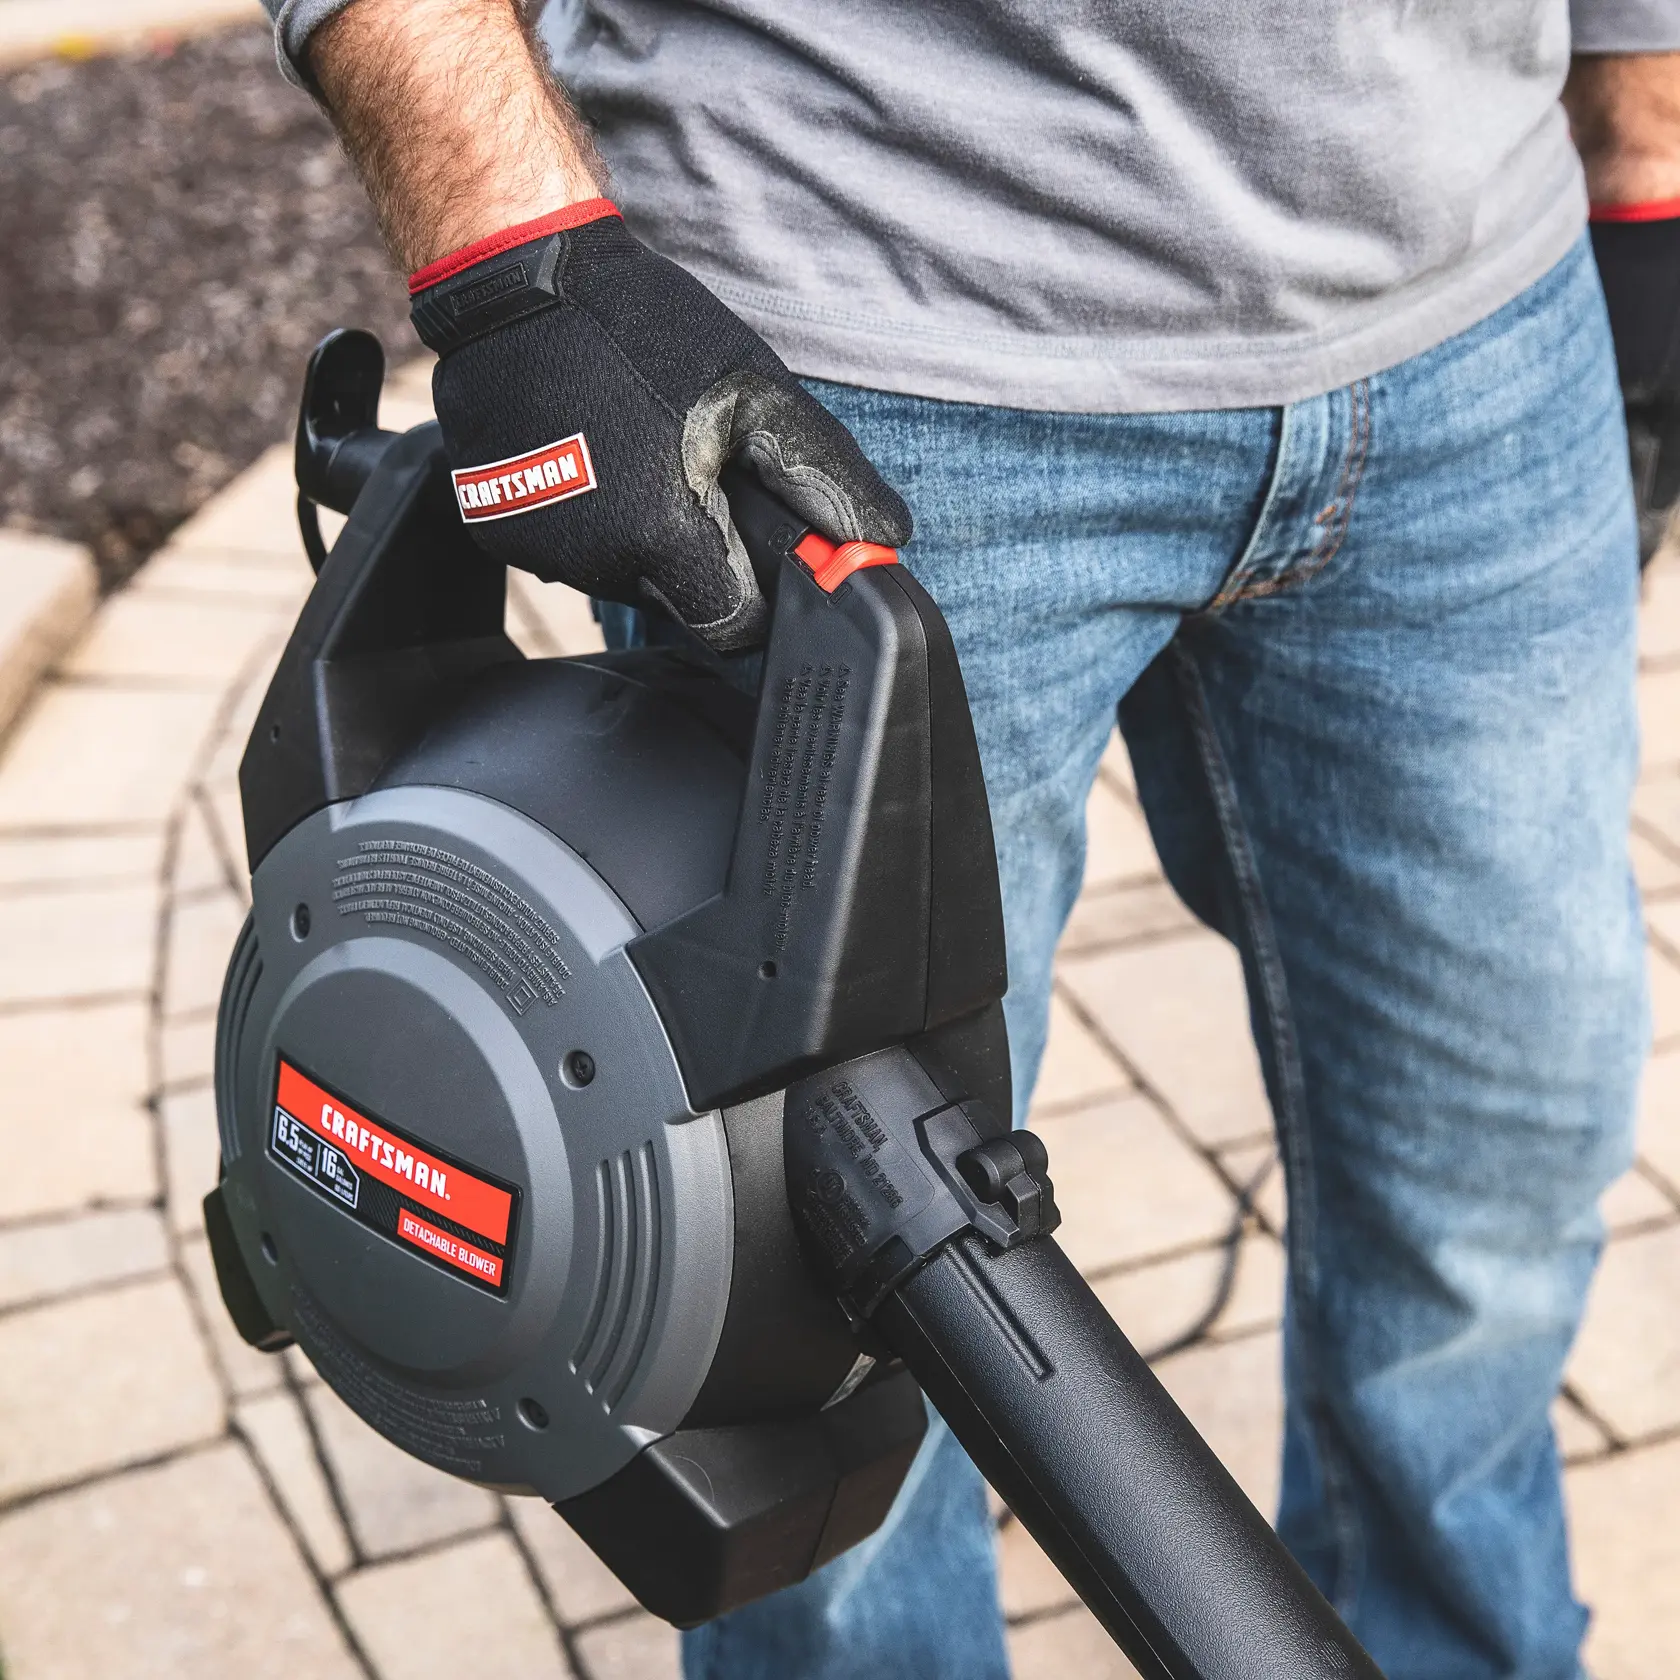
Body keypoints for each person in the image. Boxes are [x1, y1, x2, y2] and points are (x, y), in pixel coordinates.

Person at [256, 2, 1680, 1675]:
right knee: (787, 1307)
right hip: (858, 361)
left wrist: (1645, 142)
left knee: (1496, 1175)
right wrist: (513, 254)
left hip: (1472, 316)